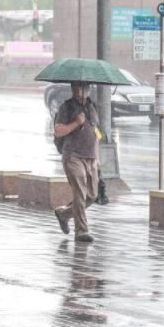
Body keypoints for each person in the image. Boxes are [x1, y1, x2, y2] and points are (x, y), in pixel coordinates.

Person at [53, 83, 101, 243]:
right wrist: (76, 123)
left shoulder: (92, 106)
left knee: (92, 195)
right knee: (80, 192)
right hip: (73, 156)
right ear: (73, 88)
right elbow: (58, 131)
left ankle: (64, 214)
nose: (84, 89)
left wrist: (97, 160)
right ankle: (81, 231)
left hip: (91, 157)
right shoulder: (66, 107)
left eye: (86, 86)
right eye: (81, 86)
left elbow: (96, 133)